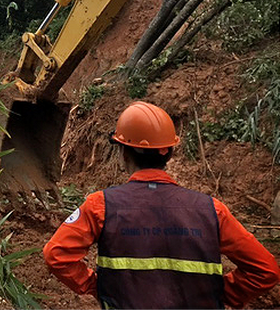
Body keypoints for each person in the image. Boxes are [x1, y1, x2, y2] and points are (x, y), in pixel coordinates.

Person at [43, 101, 280, 310]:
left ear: (124, 153)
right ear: (169, 153)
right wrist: (222, 292)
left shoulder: (101, 205)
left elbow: (57, 255)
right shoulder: (212, 211)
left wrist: (98, 286)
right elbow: (266, 270)